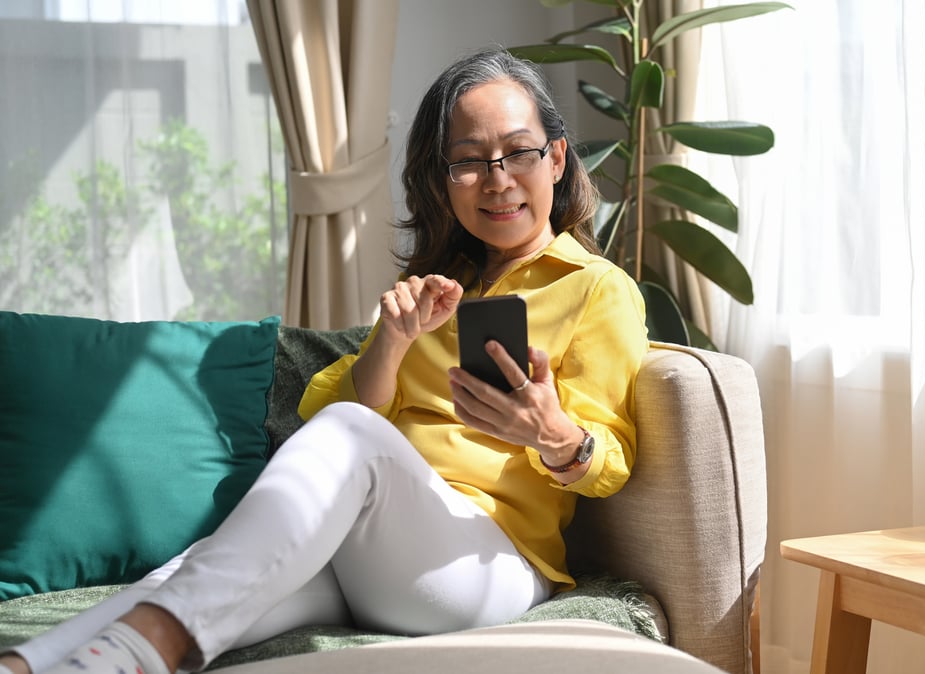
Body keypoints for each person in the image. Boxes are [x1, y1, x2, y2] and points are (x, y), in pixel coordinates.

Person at [0, 48, 648, 674]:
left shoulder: (597, 288)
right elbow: (345, 422)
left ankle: (147, 648)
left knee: (351, 437)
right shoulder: (434, 289)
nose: (498, 178)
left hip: (486, 565)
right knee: (205, 570)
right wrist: (392, 340)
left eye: (519, 152)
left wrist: (553, 434)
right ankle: (30, 664)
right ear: (443, 180)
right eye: (469, 161)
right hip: (377, 554)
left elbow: (610, 463)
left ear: (557, 158)